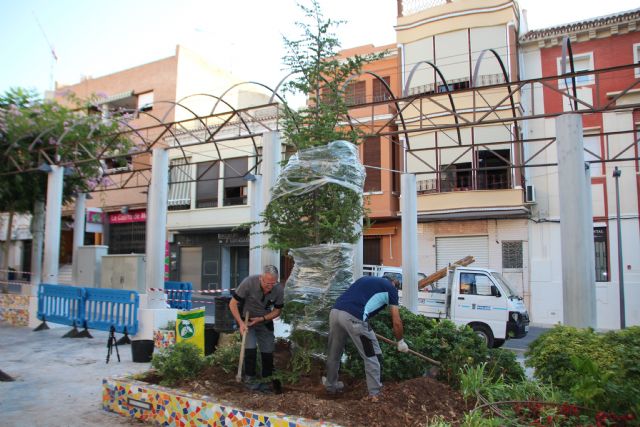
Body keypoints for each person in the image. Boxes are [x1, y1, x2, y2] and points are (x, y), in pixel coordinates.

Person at [324, 275, 409, 397]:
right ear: (394, 283)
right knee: (371, 355)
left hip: (335, 313)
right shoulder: (391, 288)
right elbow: (396, 321)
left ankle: (330, 386)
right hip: (354, 318)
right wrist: (400, 341)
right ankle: (375, 394)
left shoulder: (365, 279)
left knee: (334, 353)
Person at [229, 264, 284, 392]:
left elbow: (277, 311)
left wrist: (262, 319)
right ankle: (250, 381)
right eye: (267, 283)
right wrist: (241, 323)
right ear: (261, 278)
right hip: (247, 320)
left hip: (264, 320)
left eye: (273, 283)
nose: (269, 286)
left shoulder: (278, 289)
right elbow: (232, 304)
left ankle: (266, 381)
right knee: (250, 350)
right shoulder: (248, 283)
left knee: (268, 352)